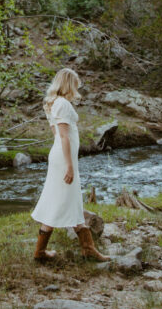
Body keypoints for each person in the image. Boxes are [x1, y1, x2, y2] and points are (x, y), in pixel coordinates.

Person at [31, 67, 109, 263]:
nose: (76, 88)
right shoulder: (63, 104)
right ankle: (85, 249)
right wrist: (69, 166)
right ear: (68, 84)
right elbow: (64, 136)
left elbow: (56, 134)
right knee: (66, 200)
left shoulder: (51, 103)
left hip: (60, 155)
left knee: (63, 200)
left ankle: (44, 252)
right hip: (63, 159)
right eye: (74, 84)